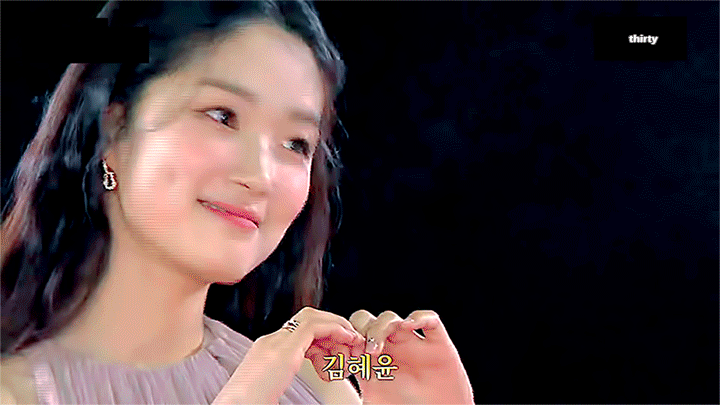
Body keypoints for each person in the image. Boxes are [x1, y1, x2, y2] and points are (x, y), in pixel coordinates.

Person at [1, 1, 474, 404]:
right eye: (222, 116)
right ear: (113, 131)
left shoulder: (314, 385)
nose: (261, 177)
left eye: (296, 144)